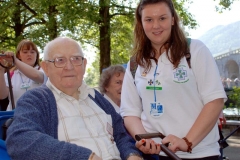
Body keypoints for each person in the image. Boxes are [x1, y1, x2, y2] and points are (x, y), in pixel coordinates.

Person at [120, 0, 227, 159]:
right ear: (141, 23)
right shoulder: (135, 63)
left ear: (173, 19)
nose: (156, 25)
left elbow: (215, 100)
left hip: (201, 154)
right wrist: (144, 139)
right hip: (156, 156)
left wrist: (187, 141)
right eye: (149, 20)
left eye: (162, 18)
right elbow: (130, 112)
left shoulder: (195, 50)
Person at [6, 37, 143, 160]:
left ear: (84, 64)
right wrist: (86, 157)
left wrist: (132, 155)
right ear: (46, 68)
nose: (69, 67)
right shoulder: (37, 99)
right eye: (60, 60)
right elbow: (19, 139)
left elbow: (120, 136)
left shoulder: (98, 99)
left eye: (76, 59)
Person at [0, 39, 47, 110]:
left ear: (36, 55)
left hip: (39, 116)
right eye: (25, 52)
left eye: (32, 52)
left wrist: (15, 61)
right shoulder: (11, 74)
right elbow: (2, 96)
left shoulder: (43, 70)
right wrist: (1, 70)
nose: (29, 54)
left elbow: (36, 76)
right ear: (19, 55)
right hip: (15, 117)